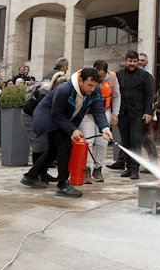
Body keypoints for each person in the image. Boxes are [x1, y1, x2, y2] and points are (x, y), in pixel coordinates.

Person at [23, 67, 112, 197]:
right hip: (49, 118)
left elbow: (98, 110)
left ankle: (31, 176)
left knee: (53, 151)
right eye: (90, 85)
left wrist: (105, 128)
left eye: (95, 86)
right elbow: (56, 114)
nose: (92, 89)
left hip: (62, 119)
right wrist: (72, 130)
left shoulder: (94, 90)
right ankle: (63, 185)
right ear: (81, 81)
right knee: (65, 146)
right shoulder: (64, 90)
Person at [21, 72, 64, 185]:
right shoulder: (44, 93)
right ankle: (35, 176)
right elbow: (43, 113)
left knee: (46, 144)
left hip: (40, 117)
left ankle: (42, 172)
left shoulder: (53, 92)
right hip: (30, 117)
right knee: (39, 143)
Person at [80, 61, 120, 183]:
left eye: (101, 76)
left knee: (102, 141)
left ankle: (98, 169)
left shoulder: (113, 77)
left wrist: (115, 113)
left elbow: (116, 95)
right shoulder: (85, 76)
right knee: (88, 141)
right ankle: (86, 169)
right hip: (87, 113)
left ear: (106, 73)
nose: (98, 78)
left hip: (104, 112)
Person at [117, 51, 154, 180]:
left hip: (138, 113)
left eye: (134, 61)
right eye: (130, 61)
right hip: (122, 112)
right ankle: (128, 167)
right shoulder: (118, 75)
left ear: (138, 62)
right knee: (125, 141)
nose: (132, 64)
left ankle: (135, 169)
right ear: (126, 61)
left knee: (135, 141)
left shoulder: (145, 76)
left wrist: (148, 112)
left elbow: (149, 95)